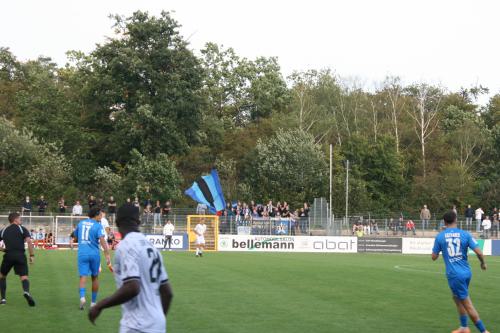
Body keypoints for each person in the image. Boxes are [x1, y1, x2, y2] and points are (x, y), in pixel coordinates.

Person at [88, 204, 173, 333]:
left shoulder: (126, 246)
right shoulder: (153, 248)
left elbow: (132, 287)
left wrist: (99, 306)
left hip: (136, 326)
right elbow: (167, 293)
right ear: (138, 221)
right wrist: (157, 321)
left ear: (117, 222)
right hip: (158, 326)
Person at [431, 211, 489, 333]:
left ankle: (483, 331)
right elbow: (479, 252)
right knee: (457, 298)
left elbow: (434, 257)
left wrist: (441, 246)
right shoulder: (465, 234)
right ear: (456, 220)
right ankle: (464, 327)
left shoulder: (440, 236)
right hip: (466, 272)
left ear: (444, 222)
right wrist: (483, 263)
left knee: (466, 303)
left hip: (454, 274)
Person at [72, 207, 111, 310]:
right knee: (95, 277)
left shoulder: (81, 223)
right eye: (100, 215)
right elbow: (102, 240)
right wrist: (107, 254)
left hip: (82, 254)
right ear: (96, 215)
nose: (101, 217)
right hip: (94, 254)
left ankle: (82, 297)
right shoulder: (98, 226)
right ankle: (93, 302)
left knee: (83, 277)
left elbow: (75, 236)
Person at [0, 212, 36, 306]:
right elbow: (29, 242)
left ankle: (3, 299)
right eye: (19, 219)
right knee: (24, 277)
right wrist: (32, 255)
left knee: (2, 276)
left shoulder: (3, 230)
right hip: (20, 255)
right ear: (15, 219)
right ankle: (26, 292)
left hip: (8, 255)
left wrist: (3, 250)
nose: (21, 220)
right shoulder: (22, 229)